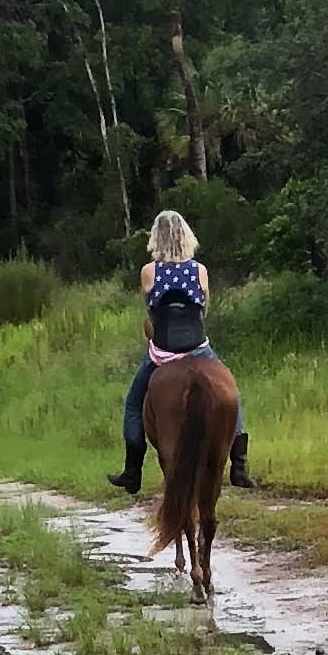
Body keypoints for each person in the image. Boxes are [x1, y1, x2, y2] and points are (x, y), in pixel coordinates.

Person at [120, 208, 251, 495]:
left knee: (132, 404)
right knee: (232, 395)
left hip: (163, 350)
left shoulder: (148, 272)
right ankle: (239, 464)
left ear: (156, 238)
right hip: (197, 348)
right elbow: (203, 311)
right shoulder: (199, 270)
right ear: (186, 236)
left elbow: (151, 312)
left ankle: (132, 471)